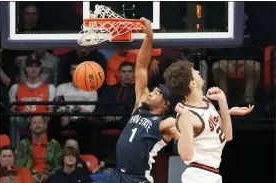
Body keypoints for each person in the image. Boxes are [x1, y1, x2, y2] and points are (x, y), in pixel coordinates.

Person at [95, 18, 180, 183]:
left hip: (137, 179)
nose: (151, 93)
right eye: (153, 90)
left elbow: (187, 126)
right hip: (117, 175)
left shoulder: (165, 122)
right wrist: (148, 38)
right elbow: (141, 68)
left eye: (157, 93)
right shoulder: (140, 106)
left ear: (165, 104)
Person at [163, 61, 254, 183]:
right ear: (192, 83)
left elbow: (227, 136)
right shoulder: (187, 115)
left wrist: (223, 103)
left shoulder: (205, 101)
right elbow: (186, 155)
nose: (198, 72)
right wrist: (185, 120)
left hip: (211, 174)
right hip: (199, 176)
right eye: (194, 72)